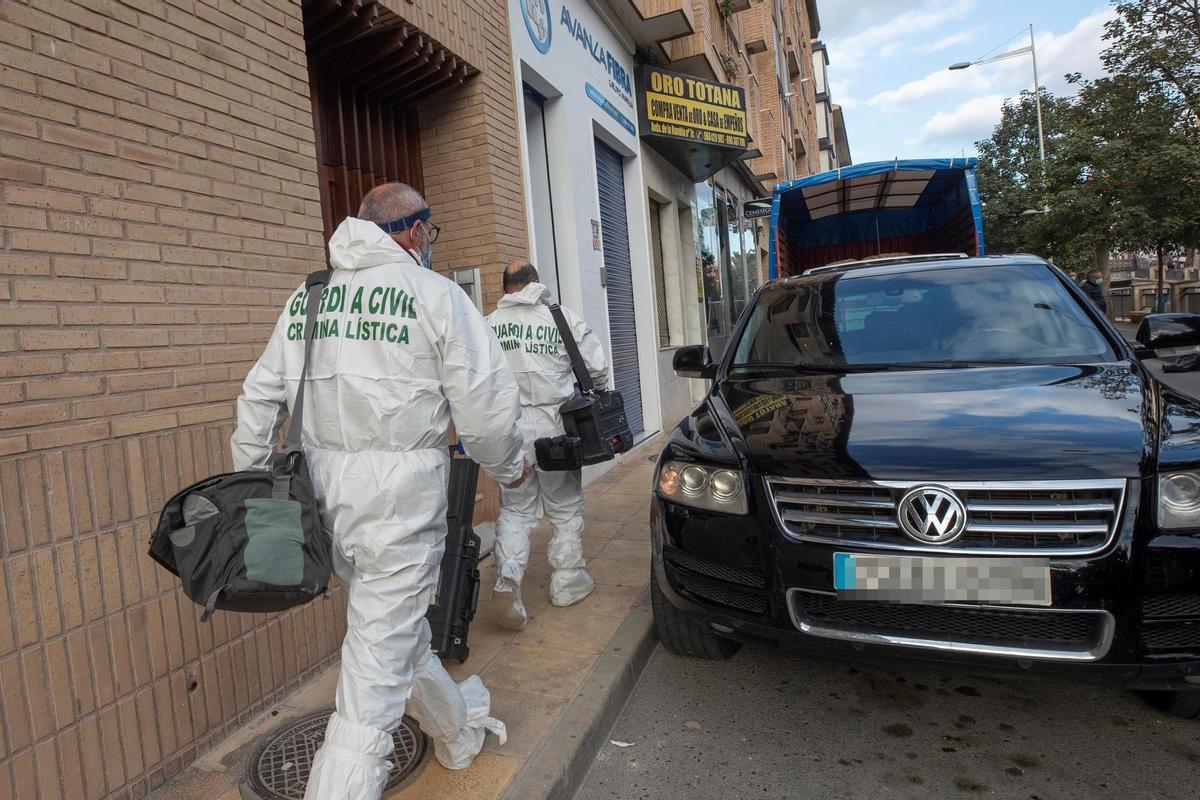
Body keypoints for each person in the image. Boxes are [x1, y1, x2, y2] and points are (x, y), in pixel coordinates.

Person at [231, 183, 531, 800]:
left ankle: (455, 735)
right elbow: (486, 413)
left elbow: (259, 401)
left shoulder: (308, 298)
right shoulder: (434, 297)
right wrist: (513, 467)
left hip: (321, 502)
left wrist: (258, 488)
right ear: (416, 232)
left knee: (394, 635)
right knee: (366, 701)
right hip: (399, 504)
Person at [485, 262, 610, 629]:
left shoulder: (488, 324)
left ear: (506, 288)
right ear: (536, 283)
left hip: (510, 428)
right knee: (565, 506)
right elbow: (597, 371)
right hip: (557, 426)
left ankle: (507, 581)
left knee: (517, 509)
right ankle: (567, 583)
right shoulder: (561, 318)